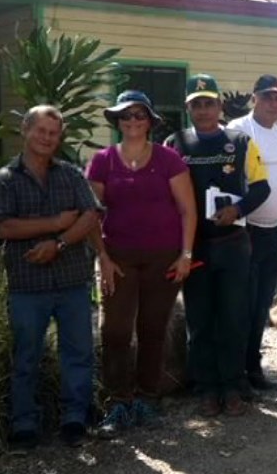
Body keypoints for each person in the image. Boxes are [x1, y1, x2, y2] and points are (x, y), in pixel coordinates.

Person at [0, 105, 100, 452]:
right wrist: (56, 223)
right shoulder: (5, 179)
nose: (47, 138)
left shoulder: (70, 174)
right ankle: (24, 424)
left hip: (72, 281)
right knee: (26, 356)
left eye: (53, 133)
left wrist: (60, 243)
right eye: (41, 131)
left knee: (78, 353)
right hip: (27, 285)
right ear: (25, 130)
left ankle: (75, 418)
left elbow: (91, 216)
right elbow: (5, 226)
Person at [87, 90, 197, 438]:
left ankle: (148, 399)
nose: (133, 121)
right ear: (117, 121)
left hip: (163, 257)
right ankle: (117, 401)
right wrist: (101, 257)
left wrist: (186, 255)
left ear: (150, 121)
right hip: (116, 258)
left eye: (139, 115)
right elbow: (91, 215)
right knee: (116, 331)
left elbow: (187, 210)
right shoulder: (102, 161)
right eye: (126, 115)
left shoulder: (168, 159)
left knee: (153, 329)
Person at [164, 73, 271, 417]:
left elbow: (261, 188)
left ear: (220, 106)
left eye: (209, 102)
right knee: (200, 317)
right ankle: (207, 388)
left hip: (233, 244)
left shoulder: (240, 142)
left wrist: (237, 209)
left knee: (234, 317)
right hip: (193, 248)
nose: (204, 109)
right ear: (188, 108)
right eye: (197, 104)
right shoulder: (174, 143)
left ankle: (233, 385)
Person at [226, 74, 277, 394]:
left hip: (274, 234)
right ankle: (235, 373)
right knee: (242, 304)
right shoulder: (239, 130)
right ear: (255, 98)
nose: (273, 103)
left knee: (262, 305)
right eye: (267, 97)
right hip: (245, 231)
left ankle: (254, 369)